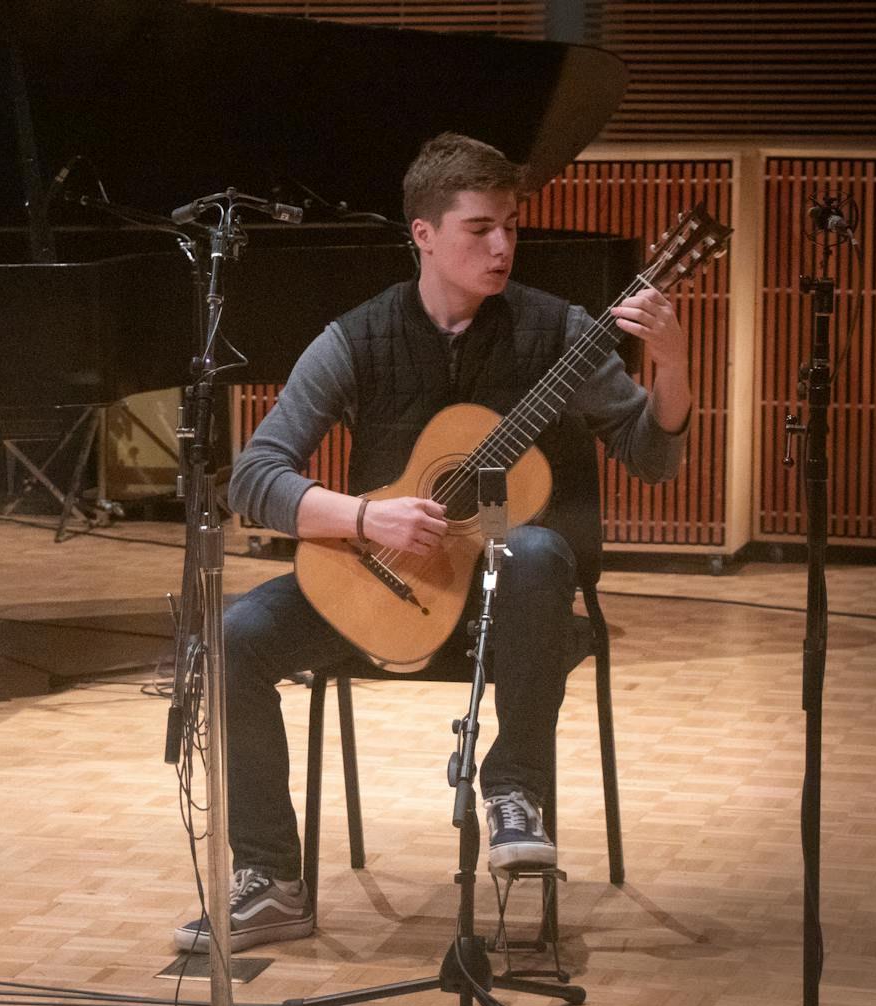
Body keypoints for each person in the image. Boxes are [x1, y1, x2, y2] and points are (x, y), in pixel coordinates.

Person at [173, 133, 691, 954]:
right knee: (233, 637)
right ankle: (271, 880)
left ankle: (513, 793)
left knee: (533, 552)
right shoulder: (356, 339)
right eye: (480, 228)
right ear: (423, 234)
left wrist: (670, 364)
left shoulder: (560, 331)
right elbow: (252, 477)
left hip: (516, 610)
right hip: (386, 587)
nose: (502, 246)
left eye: (511, 227)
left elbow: (653, 454)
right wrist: (362, 517)